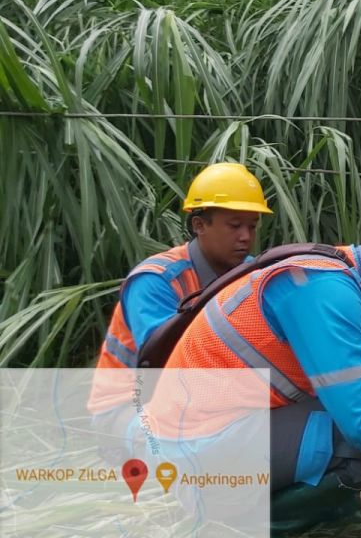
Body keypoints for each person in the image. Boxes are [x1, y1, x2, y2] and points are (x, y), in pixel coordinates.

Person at [142, 212, 361, 532]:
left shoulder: (332, 270)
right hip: (189, 454)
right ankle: (236, 526)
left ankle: (312, 506)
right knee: (360, 444)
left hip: (209, 430)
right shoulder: (325, 291)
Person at [87, 162, 272, 423]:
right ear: (199, 225)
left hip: (193, 398)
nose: (245, 236)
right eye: (234, 225)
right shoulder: (155, 280)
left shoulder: (250, 273)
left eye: (252, 226)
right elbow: (166, 363)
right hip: (127, 408)